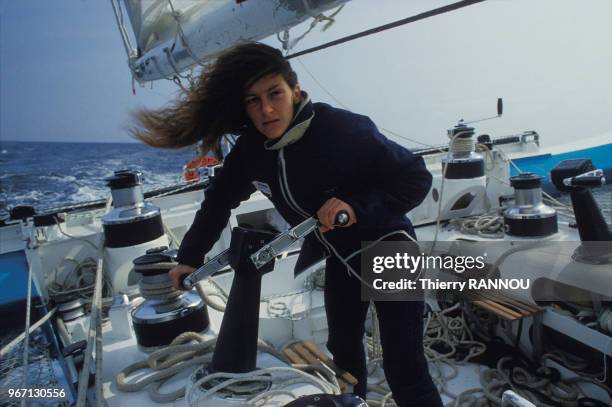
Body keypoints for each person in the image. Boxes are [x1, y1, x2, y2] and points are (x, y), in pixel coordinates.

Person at [131, 42, 443, 407]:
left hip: (389, 248)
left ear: (295, 91)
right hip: (341, 258)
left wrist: (356, 206)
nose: (265, 109)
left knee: (404, 366)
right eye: (252, 100)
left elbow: (415, 177)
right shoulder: (251, 150)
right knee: (342, 349)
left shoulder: (342, 130)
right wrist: (190, 256)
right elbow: (218, 201)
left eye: (274, 94)